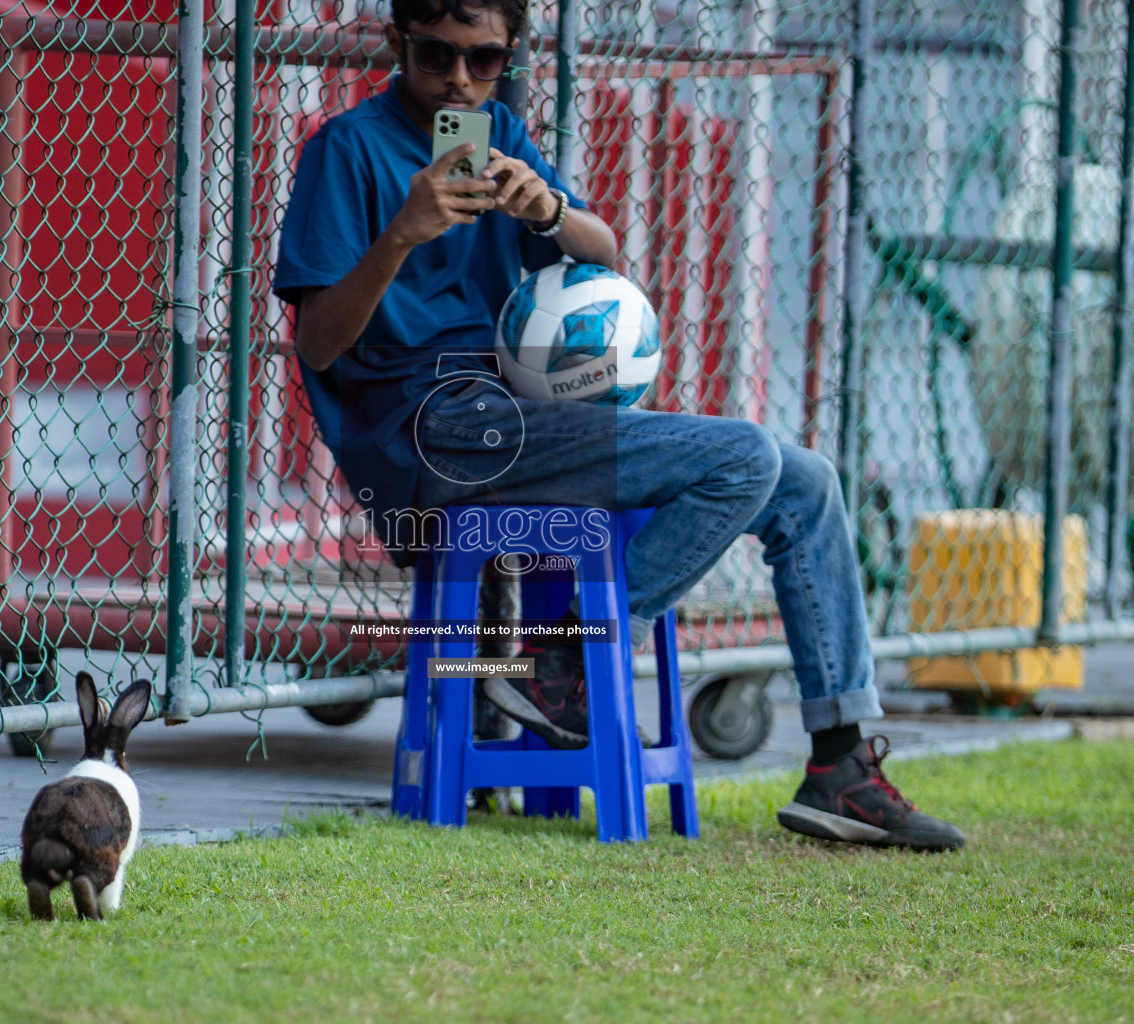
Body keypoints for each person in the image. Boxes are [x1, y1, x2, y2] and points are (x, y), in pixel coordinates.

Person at [272, 0, 964, 851]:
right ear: (395, 45)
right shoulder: (346, 150)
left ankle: (841, 767)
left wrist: (548, 213)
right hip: (428, 431)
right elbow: (317, 342)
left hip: (518, 413)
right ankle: (562, 668)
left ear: (508, 56)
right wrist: (401, 237)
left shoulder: (498, 136)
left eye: (482, 61)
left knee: (806, 480)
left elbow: (601, 251)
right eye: (436, 56)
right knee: (743, 455)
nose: (458, 78)